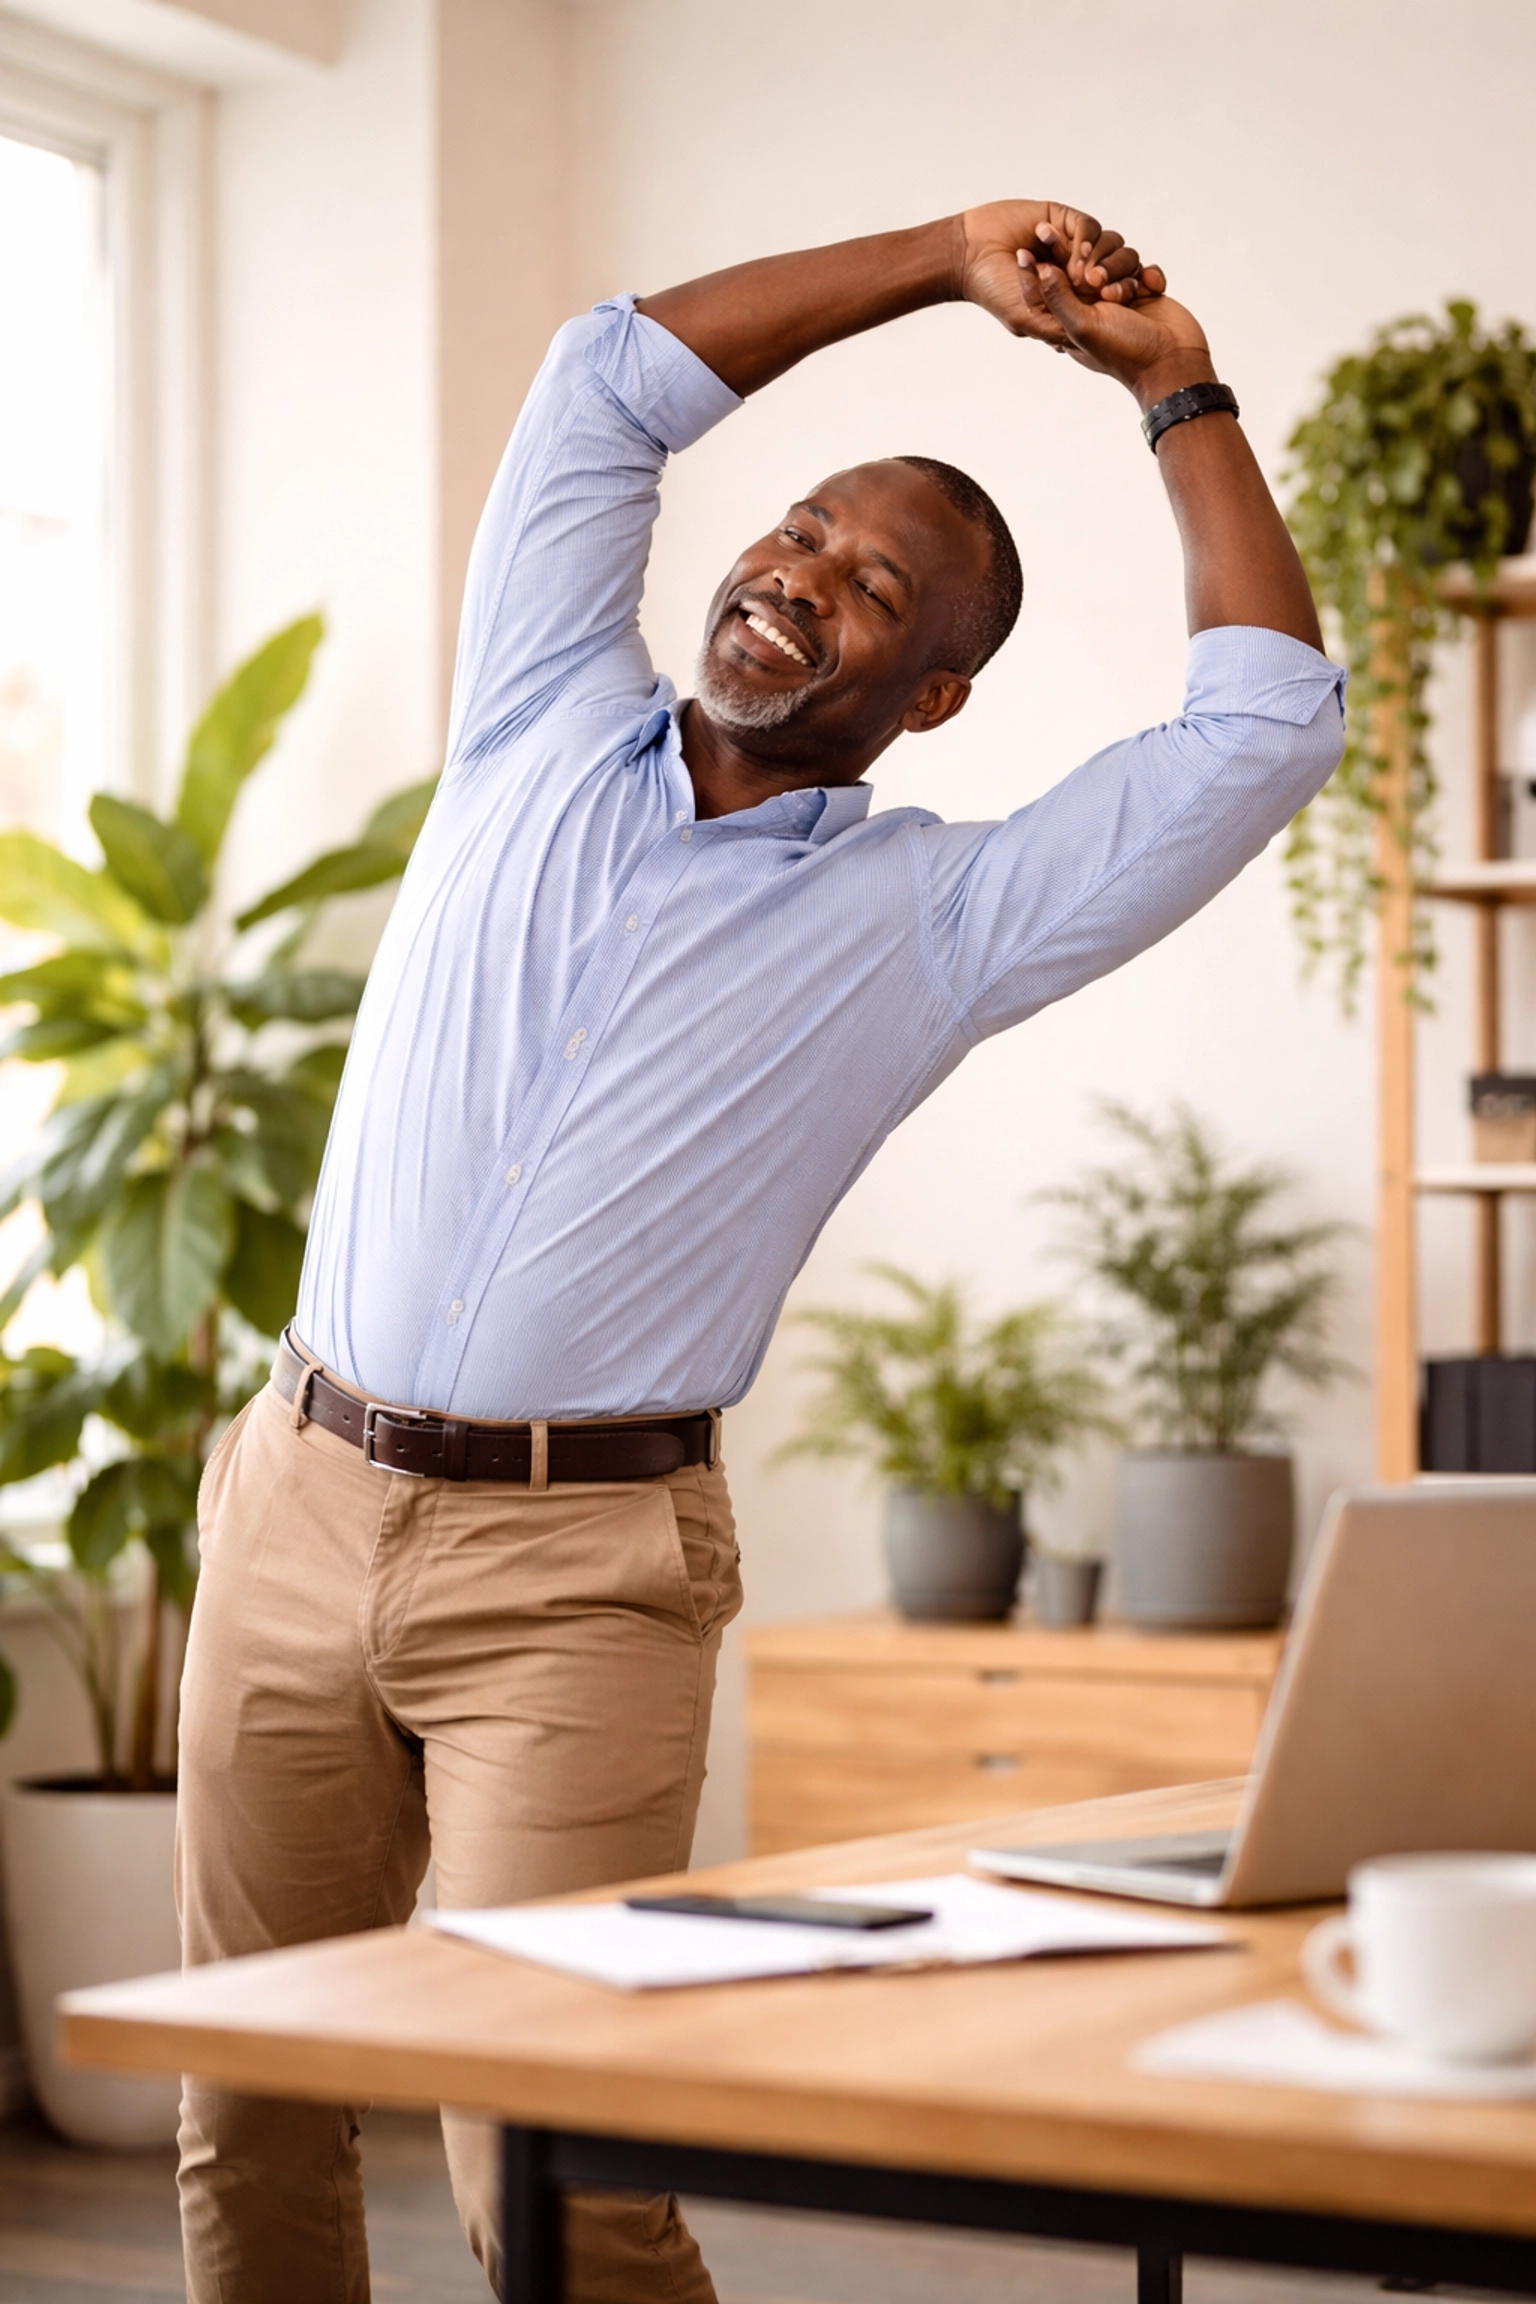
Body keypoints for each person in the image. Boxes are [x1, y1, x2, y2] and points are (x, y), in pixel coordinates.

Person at [176, 200, 1343, 2304]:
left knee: (562, 2169)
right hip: (294, 1499)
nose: (798, 574)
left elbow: (1261, 729)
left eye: (870, 583)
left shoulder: (942, 920)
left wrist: (1176, 381)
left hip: (577, 1579)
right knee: (246, 2113)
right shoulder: (535, 713)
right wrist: (949, 253)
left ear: (939, 689)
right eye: (799, 531)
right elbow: (604, 375)